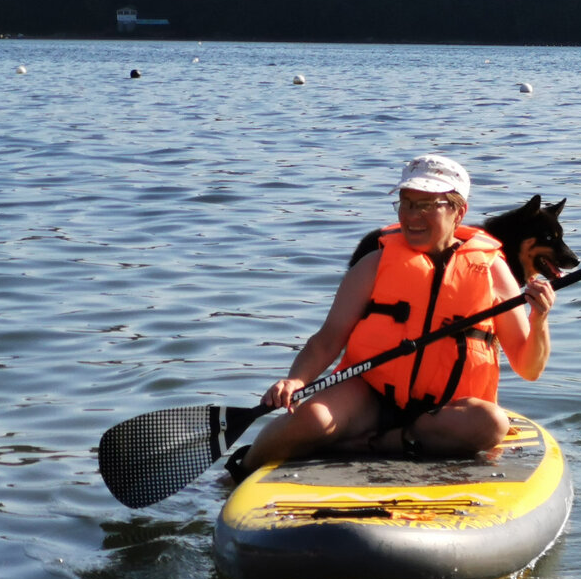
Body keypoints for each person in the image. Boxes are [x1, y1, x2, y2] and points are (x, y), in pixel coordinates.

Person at [228, 154, 555, 479]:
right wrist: (296, 380)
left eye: (427, 205)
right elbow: (326, 341)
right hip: (371, 396)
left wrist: (539, 318)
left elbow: (528, 367)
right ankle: (240, 470)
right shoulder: (374, 264)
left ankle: (366, 446)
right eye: (406, 202)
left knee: (491, 424)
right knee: (312, 418)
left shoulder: (492, 271)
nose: (412, 215)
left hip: (445, 413)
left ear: (458, 211)